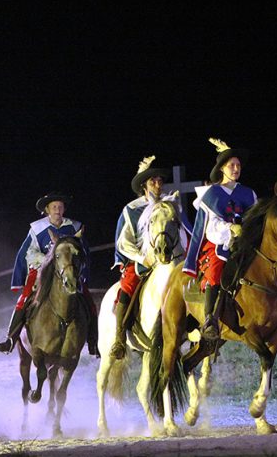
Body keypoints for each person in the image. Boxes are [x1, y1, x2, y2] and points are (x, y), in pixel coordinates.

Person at [0, 192, 99, 356]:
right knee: (25, 297)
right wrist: (48, 260)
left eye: (60, 207)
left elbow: (83, 251)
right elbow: (29, 252)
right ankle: (10, 339)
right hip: (42, 270)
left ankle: (93, 341)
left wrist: (78, 267)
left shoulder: (74, 227)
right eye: (54, 207)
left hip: (67, 270)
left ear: (64, 209)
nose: (57, 210)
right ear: (47, 210)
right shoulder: (37, 229)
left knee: (88, 300)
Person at [183, 138, 257, 349]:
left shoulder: (248, 193)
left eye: (238, 165)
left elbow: (255, 219)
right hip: (220, 243)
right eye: (231, 165)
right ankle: (209, 319)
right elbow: (210, 227)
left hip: (245, 243)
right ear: (222, 168)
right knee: (215, 270)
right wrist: (230, 228)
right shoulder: (212, 194)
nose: (236, 168)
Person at [110, 155, 174, 360]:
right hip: (142, 261)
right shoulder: (131, 209)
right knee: (127, 286)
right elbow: (124, 242)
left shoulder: (169, 204)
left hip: (168, 258)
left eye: (160, 181)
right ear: (144, 186)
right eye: (153, 181)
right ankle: (119, 339)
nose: (158, 185)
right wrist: (141, 257)